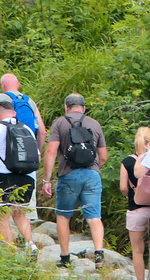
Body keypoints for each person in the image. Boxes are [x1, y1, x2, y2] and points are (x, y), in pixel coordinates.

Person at [41, 93, 109, 268]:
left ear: (66, 107)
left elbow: (51, 152)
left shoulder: (59, 123)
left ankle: (65, 258)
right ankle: (99, 255)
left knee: (63, 216)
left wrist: (46, 180)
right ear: (84, 108)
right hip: (91, 174)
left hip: (68, 175)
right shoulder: (94, 124)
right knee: (94, 216)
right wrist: (95, 169)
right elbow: (103, 156)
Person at [0, 100, 38, 251]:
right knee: (19, 214)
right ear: (14, 113)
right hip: (28, 176)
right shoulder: (27, 129)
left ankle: (9, 252)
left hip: (5, 177)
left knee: (2, 215)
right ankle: (31, 245)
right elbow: (37, 155)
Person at [0, 73, 47, 220]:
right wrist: (37, 151)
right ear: (18, 85)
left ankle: (5, 220)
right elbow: (42, 131)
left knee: (5, 188)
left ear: (3, 86)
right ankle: (31, 217)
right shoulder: (29, 101)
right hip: (30, 150)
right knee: (28, 184)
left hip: (8, 150)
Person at [119, 126, 150, 280]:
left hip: (136, 209)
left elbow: (123, 187)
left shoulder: (127, 162)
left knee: (137, 251)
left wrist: (132, 194)